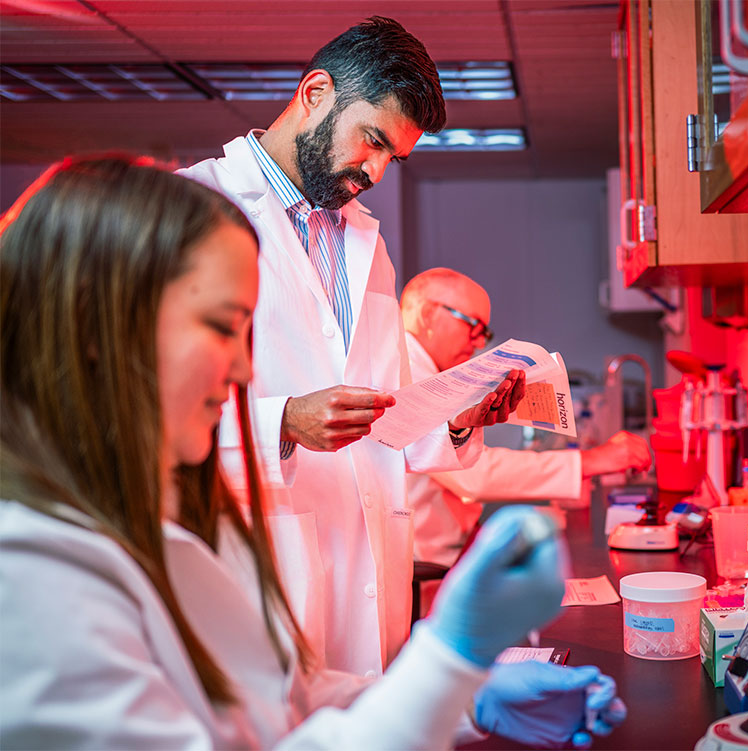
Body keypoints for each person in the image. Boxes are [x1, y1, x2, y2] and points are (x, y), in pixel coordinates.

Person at [0, 156, 629, 749]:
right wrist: (446, 664)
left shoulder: (166, 521)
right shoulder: (27, 572)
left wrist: (471, 696)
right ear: (95, 327)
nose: (245, 367)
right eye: (222, 327)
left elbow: (283, 698)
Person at [178, 16, 524, 676]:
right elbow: (130, 417)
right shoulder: (190, 208)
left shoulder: (366, 244)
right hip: (257, 568)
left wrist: (457, 415)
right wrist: (283, 422)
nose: (376, 171)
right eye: (372, 140)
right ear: (314, 92)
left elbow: (389, 412)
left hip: (375, 575)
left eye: (392, 157)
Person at [400, 267, 653, 575]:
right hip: (426, 563)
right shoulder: (406, 374)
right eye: (474, 326)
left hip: (446, 549)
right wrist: (593, 460)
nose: (479, 344)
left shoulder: (425, 370)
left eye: (485, 334)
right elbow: (475, 476)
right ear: (428, 314)